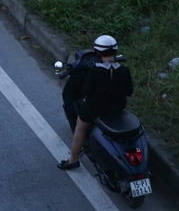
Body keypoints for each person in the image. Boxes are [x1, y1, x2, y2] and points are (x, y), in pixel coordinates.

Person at [57, 35, 134, 170]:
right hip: (118, 107)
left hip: (95, 109)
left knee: (80, 128)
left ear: (98, 52)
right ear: (115, 51)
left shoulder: (94, 71)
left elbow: (86, 92)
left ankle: (73, 160)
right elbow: (129, 91)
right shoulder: (124, 70)